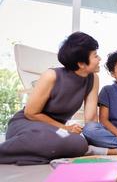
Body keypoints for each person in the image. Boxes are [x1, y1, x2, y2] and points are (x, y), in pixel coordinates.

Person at [0, 32, 102, 165]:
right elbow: (30, 113)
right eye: (95, 55)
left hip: (55, 130)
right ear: (81, 63)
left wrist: (97, 136)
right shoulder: (51, 75)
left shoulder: (93, 79)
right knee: (53, 138)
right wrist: (65, 128)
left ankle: (34, 154)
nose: (99, 58)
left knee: (79, 143)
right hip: (28, 124)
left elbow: (91, 119)